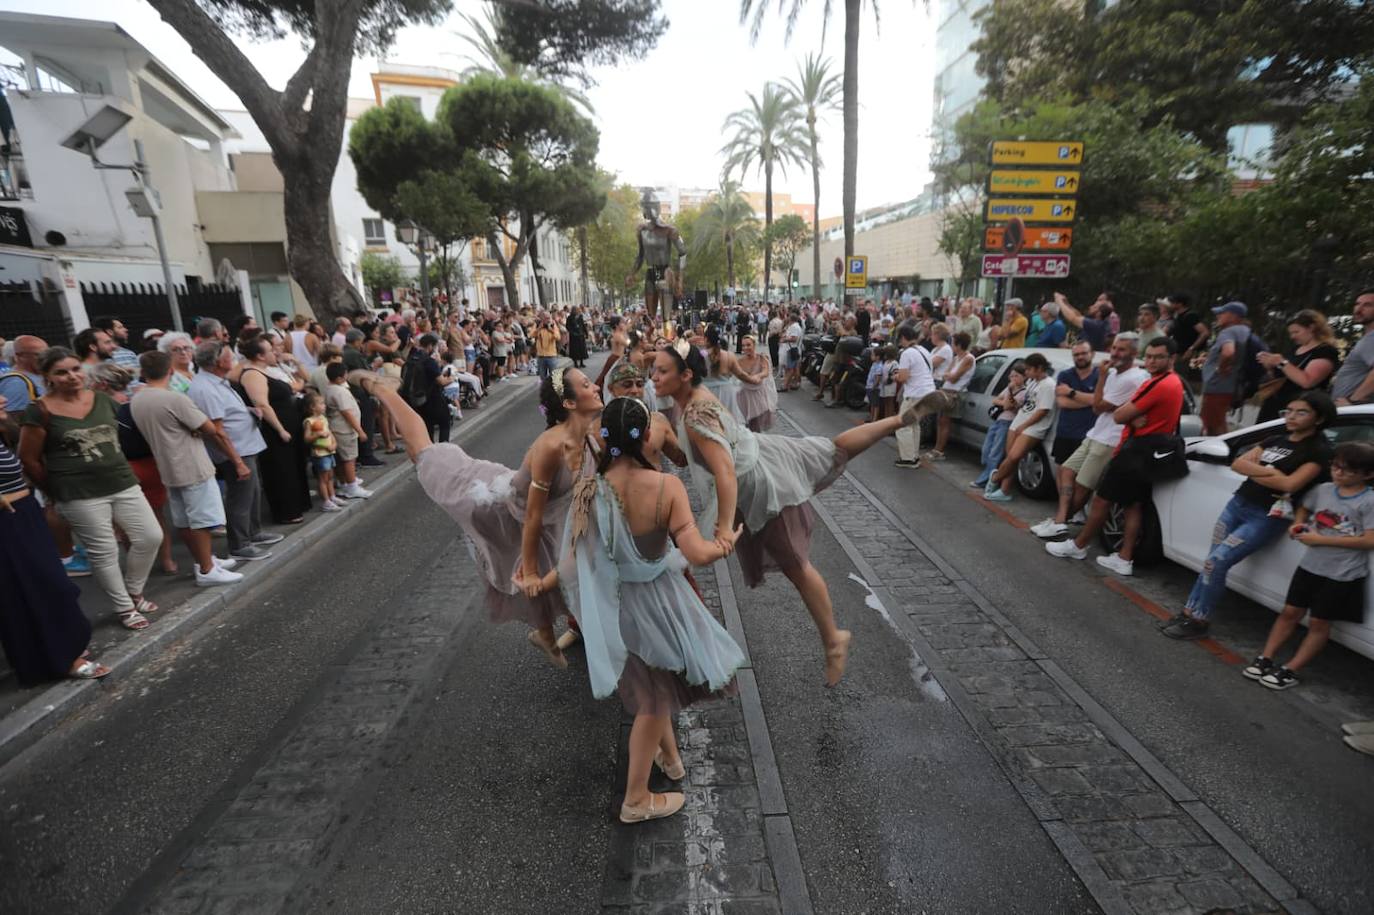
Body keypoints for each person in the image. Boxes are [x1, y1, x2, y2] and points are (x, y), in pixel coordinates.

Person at [523, 397, 745, 823]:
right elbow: (696, 554)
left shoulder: (592, 488)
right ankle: (636, 799)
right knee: (654, 700)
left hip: (616, 603)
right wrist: (725, 542)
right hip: (660, 602)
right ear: (646, 436)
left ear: (603, 438)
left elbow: (571, 562)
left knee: (650, 684)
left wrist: (541, 584)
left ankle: (672, 760)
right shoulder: (666, 486)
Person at [653, 339, 921, 686]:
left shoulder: (694, 414)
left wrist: (722, 528)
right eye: (653, 370)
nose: (654, 377)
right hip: (764, 454)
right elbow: (710, 453)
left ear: (685, 375)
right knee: (834, 449)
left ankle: (834, 638)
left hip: (760, 485)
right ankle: (898, 420)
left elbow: (725, 472)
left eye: (661, 370)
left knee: (797, 566)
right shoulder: (696, 398)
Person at [353, 364, 593, 664]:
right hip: (492, 508)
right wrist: (530, 571)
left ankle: (547, 635)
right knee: (425, 453)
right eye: (587, 384)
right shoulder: (550, 446)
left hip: (543, 517)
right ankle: (380, 388)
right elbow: (531, 517)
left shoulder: (592, 432)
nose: (596, 387)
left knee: (558, 571)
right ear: (569, 403)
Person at [1159, 392, 1335, 639]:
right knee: (1211, 561)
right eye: (1289, 411)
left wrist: (1262, 471)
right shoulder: (1276, 438)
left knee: (1216, 562)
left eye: (1302, 412)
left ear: (1319, 418)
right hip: (1238, 504)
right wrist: (1271, 474)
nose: (1292, 417)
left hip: (1266, 515)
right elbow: (1238, 464)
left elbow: (1291, 484)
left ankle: (1199, 619)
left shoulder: (1319, 451)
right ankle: (1189, 611)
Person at [18, 347, 164, 629]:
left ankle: (134, 591)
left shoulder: (101, 400)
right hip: (78, 492)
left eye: (75, 369)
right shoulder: (39, 410)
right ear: (47, 376)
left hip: (122, 482)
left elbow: (114, 439)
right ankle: (125, 607)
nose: (71, 376)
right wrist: (52, 488)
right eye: (61, 372)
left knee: (150, 536)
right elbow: (29, 458)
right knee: (105, 551)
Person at [1046, 338, 1187, 575]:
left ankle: (1079, 545)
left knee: (1102, 500)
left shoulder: (1159, 383)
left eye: (1158, 357)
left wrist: (1127, 414)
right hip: (1145, 449)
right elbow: (1112, 409)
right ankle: (1124, 558)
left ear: (1172, 359)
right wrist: (1129, 413)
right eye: (1149, 356)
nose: (1151, 361)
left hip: (1135, 450)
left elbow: (1118, 415)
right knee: (1132, 505)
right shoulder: (1167, 381)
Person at [1244, 442, 1374, 690]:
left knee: (1319, 623)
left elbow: (1370, 539)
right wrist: (1299, 523)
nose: (1338, 473)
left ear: (1368, 474)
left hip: (1342, 573)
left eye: (1347, 471)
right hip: (1310, 565)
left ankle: (1291, 669)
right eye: (1335, 467)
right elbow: (1304, 507)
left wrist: (1319, 539)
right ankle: (1266, 657)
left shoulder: (1369, 501)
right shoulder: (1324, 489)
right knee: (1289, 612)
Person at [0, 420, 109, 683]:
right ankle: (62, 657)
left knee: (37, 589)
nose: (3, 397)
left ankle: (56, 653)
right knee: (37, 589)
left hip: (25, 516)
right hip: (8, 522)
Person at [130, 351, 244, 587]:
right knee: (202, 519)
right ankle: (207, 568)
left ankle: (203, 561)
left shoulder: (138, 398)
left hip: (166, 464)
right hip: (191, 463)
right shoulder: (174, 399)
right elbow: (209, 428)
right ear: (170, 370)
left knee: (184, 519)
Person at [1032, 334, 1147, 539]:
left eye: (1121, 349)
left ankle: (1061, 523)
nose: (1115, 353)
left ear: (1134, 353)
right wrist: (1093, 397)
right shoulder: (1111, 374)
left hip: (1110, 439)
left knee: (1083, 485)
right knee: (1066, 469)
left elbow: (1099, 405)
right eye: (1114, 348)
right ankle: (1059, 521)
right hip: (1095, 433)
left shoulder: (1134, 378)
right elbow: (1093, 407)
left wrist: (1094, 384)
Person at [188, 341, 282, 562]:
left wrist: (247, 410)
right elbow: (217, 431)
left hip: (247, 445)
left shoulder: (218, 382)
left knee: (253, 492)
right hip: (236, 451)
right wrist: (237, 461)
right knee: (240, 497)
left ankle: (253, 532)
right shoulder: (205, 388)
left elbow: (226, 413)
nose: (234, 360)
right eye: (230, 357)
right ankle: (239, 544)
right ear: (218, 362)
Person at [238, 336, 311, 523]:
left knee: (294, 466)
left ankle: (299, 504)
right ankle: (286, 511)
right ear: (260, 356)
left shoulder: (267, 370)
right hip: (274, 430)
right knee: (281, 469)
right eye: (270, 350)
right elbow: (261, 404)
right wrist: (280, 429)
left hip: (290, 423)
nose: (275, 353)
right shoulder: (252, 374)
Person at [984, 353, 1055, 503]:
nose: (1027, 372)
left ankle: (995, 478)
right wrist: (1011, 393)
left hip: (1033, 426)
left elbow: (1043, 410)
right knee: (1010, 458)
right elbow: (1024, 404)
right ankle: (1004, 489)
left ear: (1039, 368)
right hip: (1019, 420)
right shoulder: (1032, 382)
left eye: (1029, 369)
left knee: (1015, 456)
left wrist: (1024, 425)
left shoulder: (1048, 385)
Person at [1254, 310, 1340, 424]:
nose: (1293, 337)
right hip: (1275, 406)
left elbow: (1307, 381)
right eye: (1291, 333)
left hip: (1300, 408)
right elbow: (1282, 376)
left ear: (1311, 328)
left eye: (1296, 332)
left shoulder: (1325, 352)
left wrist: (1281, 362)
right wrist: (1270, 365)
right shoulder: (1295, 349)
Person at [605, 362, 686, 468]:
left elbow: (682, 460)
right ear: (611, 389)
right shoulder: (598, 429)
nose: (635, 390)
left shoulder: (658, 421)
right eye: (627, 385)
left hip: (655, 483)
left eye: (639, 385)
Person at [1196, 301, 1252, 436]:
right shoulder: (1245, 331)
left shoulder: (1228, 331)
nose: (1218, 316)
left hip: (1218, 386)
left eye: (1222, 313)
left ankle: (1216, 453)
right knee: (1219, 421)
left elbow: (1228, 352)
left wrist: (1221, 368)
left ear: (1233, 316)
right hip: (1230, 386)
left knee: (1212, 424)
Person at [892, 324, 944, 468]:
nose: (900, 342)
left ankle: (908, 459)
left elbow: (903, 377)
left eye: (900, 339)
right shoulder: (924, 350)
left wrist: (895, 376)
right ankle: (914, 456)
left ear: (903, 338)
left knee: (902, 424)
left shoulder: (907, 353)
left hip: (914, 393)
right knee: (914, 424)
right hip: (928, 392)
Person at [972, 362, 1025, 490]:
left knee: (995, 452)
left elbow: (1008, 406)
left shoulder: (1023, 392)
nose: (1013, 379)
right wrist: (1006, 397)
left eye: (1016, 376)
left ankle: (986, 480)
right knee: (986, 449)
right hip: (998, 421)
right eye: (1011, 376)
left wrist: (1010, 393)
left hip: (1007, 423)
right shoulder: (1008, 389)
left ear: (1024, 377)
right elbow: (995, 400)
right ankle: (989, 472)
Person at [324, 361, 372, 500]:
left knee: (342, 458)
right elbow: (347, 413)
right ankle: (352, 486)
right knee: (349, 458)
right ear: (339, 378)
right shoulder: (339, 391)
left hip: (337, 428)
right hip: (344, 429)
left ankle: (344, 482)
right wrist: (360, 431)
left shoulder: (330, 388)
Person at [1049, 341, 1100, 468]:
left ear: (1092, 354)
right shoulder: (1065, 375)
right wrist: (1092, 400)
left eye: (1084, 353)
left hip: (1091, 435)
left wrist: (1070, 392)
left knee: (1083, 477)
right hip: (1065, 433)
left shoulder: (1101, 375)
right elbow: (1062, 402)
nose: (1080, 357)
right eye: (1076, 354)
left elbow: (1101, 401)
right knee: (1062, 473)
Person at [930, 332, 975, 459]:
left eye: (953, 343)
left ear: (959, 345)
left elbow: (954, 377)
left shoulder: (968, 358)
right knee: (940, 420)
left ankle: (939, 450)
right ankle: (936, 448)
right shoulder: (956, 358)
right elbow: (946, 374)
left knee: (945, 421)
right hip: (946, 390)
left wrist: (948, 375)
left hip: (954, 393)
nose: (951, 346)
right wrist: (948, 375)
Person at [702, 327, 753, 423]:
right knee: (728, 422)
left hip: (705, 393)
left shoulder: (702, 354)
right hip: (726, 393)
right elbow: (741, 374)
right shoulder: (728, 355)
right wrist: (753, 379)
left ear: (706, 339)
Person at [1331, 291, 1374, 405]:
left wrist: (1353, 400)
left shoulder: (1372, 338)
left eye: (1367, 305)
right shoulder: (1367, 338)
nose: (1358, 309)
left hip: (1355, 411)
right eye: (1357, 304)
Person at [302, 391, 341, 512]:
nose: (324, 406)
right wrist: (318, 434)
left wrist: (334, 444)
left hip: (329, 451)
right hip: (320, 453)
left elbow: (329, 433)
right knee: (323, 478)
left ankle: (332, 496)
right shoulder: (309, 421)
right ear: (313, 407)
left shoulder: (323, 418)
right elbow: (307, 438)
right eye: (321, 403)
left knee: (330, 476)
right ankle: (326, 501)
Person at [735, 335, 778, 433]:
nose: (746, 348)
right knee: (747, 425)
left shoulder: (762, 358)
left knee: (757, 424)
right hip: (745, 396)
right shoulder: (739, 361)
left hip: (758, 395)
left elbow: (765, 371)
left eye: (748, 345)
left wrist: (758, 376)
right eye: (743, 346)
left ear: (754, 345)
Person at [781, 312, 803, 391]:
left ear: (790, 319)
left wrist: (785, 339)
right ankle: (794, 383)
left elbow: (794, 338)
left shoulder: (794, 327)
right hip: (795, 349)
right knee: (795, 368)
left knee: (790, 368)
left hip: (792, 349)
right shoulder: (797, 326)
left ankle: (785, 386)